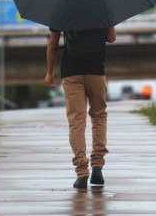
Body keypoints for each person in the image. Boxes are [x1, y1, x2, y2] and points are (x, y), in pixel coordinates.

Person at [44, 26, 116, 189]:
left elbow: (53, 44)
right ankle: (97, 166)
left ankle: (82, 172)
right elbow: (111, 38)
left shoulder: (61, 12)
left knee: (76, 120)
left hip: (71, 72)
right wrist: (109, 22)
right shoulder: (102, 11)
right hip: (96, 70)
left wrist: (49, 72)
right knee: (99, 116)